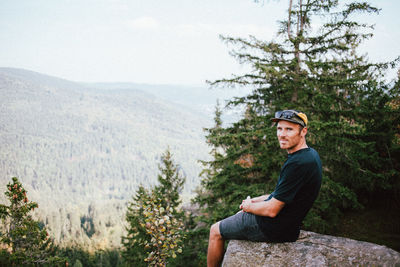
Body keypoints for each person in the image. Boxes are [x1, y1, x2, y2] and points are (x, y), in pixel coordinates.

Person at [207, 109, 322, 267]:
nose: (282, 134)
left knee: (215, 231)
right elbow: (284, 194)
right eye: (279, 128)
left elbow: (272, 210)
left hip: (272, 227)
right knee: (241, 214)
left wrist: (248, 207)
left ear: (303, 131)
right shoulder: (310, 155)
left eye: (289, 129)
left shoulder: (297, 163)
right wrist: (256, 201)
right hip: (288, 226)